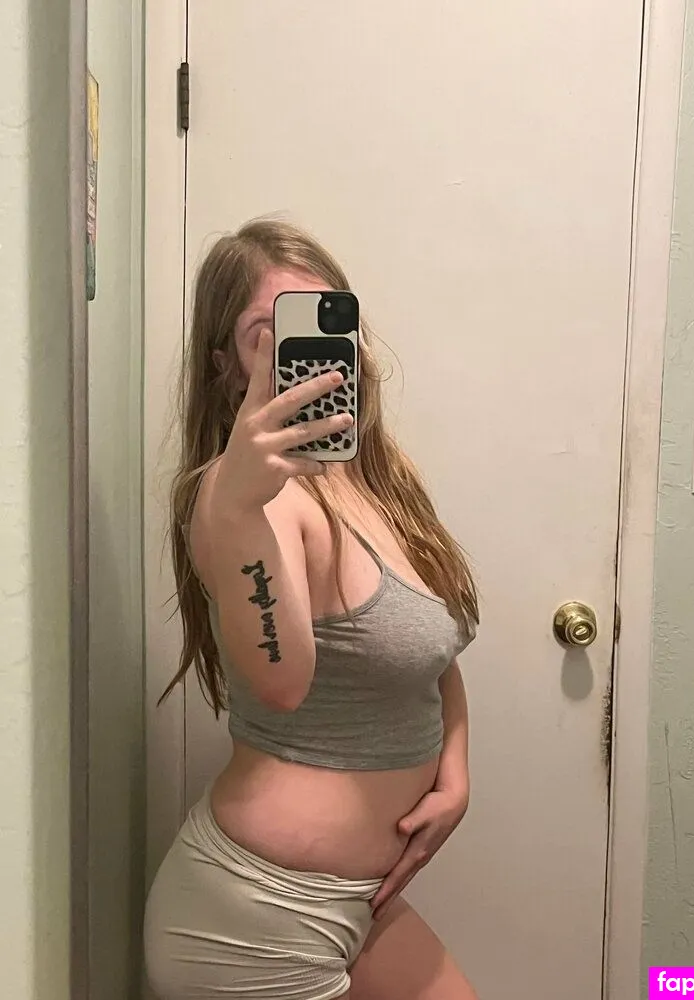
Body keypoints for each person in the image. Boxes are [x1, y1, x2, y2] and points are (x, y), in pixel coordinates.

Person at [143, 218, 480, 1000]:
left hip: (359, 906)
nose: (310, 356)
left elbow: (430, 652)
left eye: (326, 324)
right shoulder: (243, 500)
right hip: (255, 924)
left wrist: (455, 773)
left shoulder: (378, 484)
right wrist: (236, 508)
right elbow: (281, 681)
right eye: (268, 335)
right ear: (227, 367)